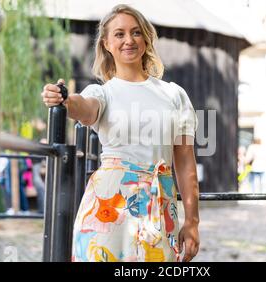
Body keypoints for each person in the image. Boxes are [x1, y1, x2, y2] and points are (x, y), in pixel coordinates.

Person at [40, 4, 200, 262]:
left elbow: (185, 160)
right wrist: (65, 100)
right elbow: (84, 108)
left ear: (146, 39)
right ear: (106, 43)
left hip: (159, 204)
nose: (129, 40)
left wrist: (192, 222)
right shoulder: (102, 93)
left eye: (136, 33)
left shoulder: (174, 95)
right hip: (109, 204)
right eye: (119, 34)